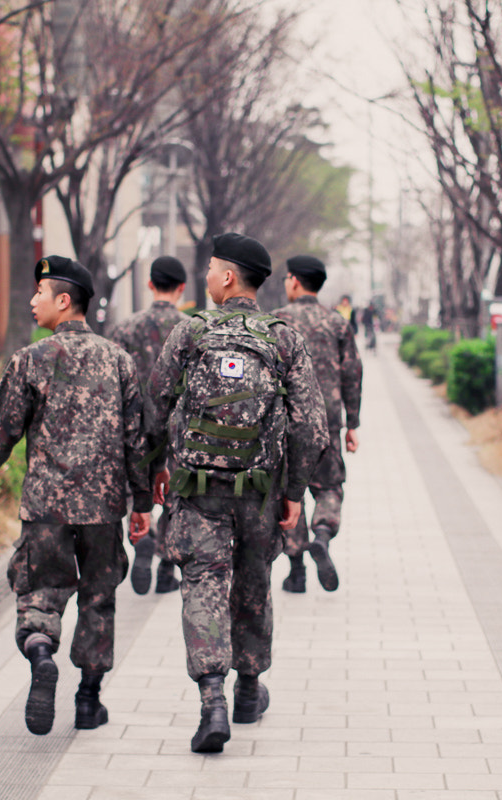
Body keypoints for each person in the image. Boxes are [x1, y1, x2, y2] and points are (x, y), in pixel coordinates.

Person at [144, 232, 328, 754]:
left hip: (198, 490)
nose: (203, 277)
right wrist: (294, 492)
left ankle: (211, 702)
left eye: (210, 269)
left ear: (228, 278)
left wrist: (153, 469)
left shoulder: (190, 332)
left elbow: (156, 408)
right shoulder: (283, 339)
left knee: (203, 582)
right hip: (260, 492)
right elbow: (310, 425)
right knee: (252, 583)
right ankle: (249, 689)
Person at [0, 255, 153, 736]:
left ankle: (41, 653)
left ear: (63, 301)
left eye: (40, 293)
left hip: (46, 507)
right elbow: (138, 440)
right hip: (103, 509)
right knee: (98, 600)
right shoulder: (118, 361)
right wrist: (142, 504)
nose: (33, 301)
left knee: (40, 593)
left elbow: (1, 427)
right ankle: (88, 701)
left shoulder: (31, 359)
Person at [274, 256, 363, 593]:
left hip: (285, 423)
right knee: (329, 488)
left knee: (287, 492)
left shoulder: (276, 322)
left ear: (295, 281)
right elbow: (352, 372)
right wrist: (352, 423)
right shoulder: (337, 323)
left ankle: (296, 571)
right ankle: (322, 535)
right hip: (327, 421)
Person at [108, 255, 189, 595]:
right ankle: (168, 568)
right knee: (177, 495)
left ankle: (143, 536)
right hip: (180, 429)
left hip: (136, 426)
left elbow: (110, 383)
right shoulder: (193, 328)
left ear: (150, 284)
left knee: (138, 488)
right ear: (182, 288)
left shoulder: (124, 330)